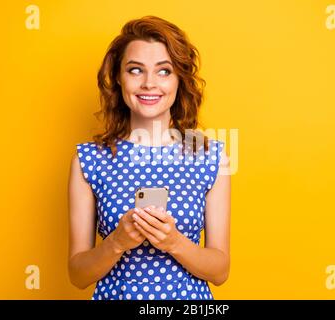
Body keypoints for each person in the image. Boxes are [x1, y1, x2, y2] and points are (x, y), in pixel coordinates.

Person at [68, 15, 231, 300]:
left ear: (180, 79)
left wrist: (174, 242)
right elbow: (77, 275)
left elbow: (220, 271)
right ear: (118, 78)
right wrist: (116, 243)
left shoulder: (211, 157)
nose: (149, 83)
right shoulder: (89, 160)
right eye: (135, 70)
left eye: (164, 71)